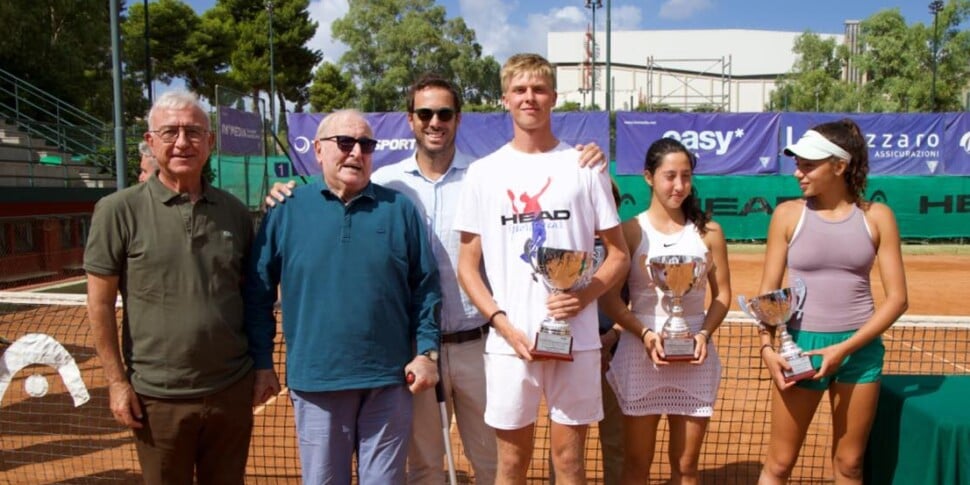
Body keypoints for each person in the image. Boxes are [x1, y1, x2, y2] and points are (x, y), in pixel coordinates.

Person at [265, 74, 609, 485]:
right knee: (423, 467)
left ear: (457, 119)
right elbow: (336, 194)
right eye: (424, 113)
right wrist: (281, 192)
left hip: (478, 343)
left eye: (444, 113)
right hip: (413, 351)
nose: (434, 121)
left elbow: (548, 178)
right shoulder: (387, 184)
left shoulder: (487, 174)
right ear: (410, 120)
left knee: (492, 464)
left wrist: (584, 155)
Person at [454, 53, 629, 485]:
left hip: (579, 340)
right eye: (519, 90)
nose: (529, 97)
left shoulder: (585, 167)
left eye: (538, 89)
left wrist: (582, 297)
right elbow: (467, 266)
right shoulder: (482, 173)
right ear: (504, 99)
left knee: (570, 465)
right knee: (510, 466)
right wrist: (502, 324)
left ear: (553, 97)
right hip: (510, 345)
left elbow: (619, 253)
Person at [244, 109, 442, 484]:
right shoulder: (286, 210)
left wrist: (427, 350)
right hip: (317, 382)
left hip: (389, 382)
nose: (356, 153)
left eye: (366, 145)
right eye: (345, 143)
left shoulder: (399, 210)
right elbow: (257, 293)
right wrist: (262, 362)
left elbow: (426, 287)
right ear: (318, 150)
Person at [85, 90, 260, 484]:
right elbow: (98, 305)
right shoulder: (117, 211)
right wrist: (116, 383)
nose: (183, 142)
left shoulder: (235, 212)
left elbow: (251, 297)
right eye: (170, 132)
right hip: (157, 398)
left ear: (210, 142)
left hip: (231, 392)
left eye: (194, 132)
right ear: (150, 142)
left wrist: (260, 368)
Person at [756, 119, 908, 484]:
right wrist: (767, 348)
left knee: (850, 464)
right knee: (779, 463)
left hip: (860, 352)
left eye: (809, 165)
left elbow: (898, 299)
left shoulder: (878, 218)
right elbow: (768, 294)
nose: (798, 173)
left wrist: (844, 349)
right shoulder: (787, 215)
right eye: (798, 165)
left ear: (839, 166)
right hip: (801, 350)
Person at [600, 137, 731, 484]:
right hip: (640, 355)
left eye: (686, 176)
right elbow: (610, 298)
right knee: (636, 464)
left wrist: (703, 334)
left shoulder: (710, 233)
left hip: (695, 358)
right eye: (670, 176)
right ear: (648, 177)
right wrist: (643, 333)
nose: (679, 185)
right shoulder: (629, 231)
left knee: (686, 468)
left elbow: (723, 296)